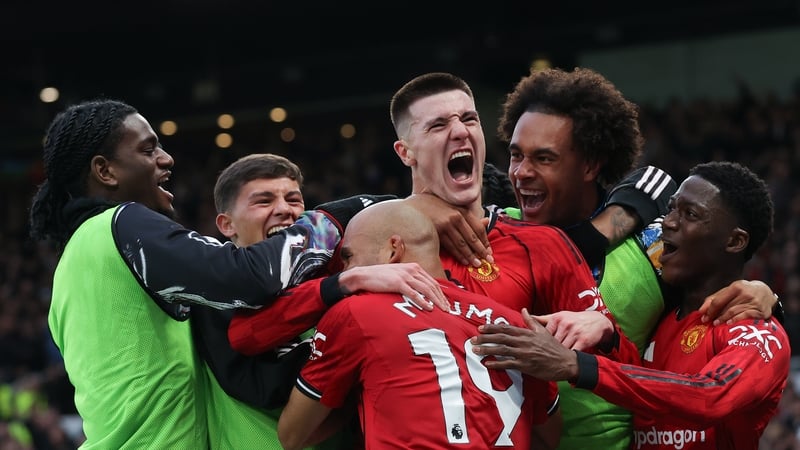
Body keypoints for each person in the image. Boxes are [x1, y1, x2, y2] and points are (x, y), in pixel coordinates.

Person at [28, 99, 444, 449]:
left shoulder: (68, 272)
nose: (166, 158)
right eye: (148, 149)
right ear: (106, 172)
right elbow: (246, 276)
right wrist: (346, 213)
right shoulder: (121, 224)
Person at [230, 73, 641, 364]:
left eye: (469, 119)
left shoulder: (539, 242)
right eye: (439, 125)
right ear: (405, 153)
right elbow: (247, 336)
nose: (459, 132)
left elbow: (625, 361)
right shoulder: (366, 240)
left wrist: (602, 332)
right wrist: (347, 281)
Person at [489, 66, 781, 449]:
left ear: (590, 164)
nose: (522, 172)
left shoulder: (652, 248)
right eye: (515, 155)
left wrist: (765, 295)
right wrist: (608, 335)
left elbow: (702, 241)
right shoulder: (489, 232)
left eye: (544, 158)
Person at [278, 200, 563, 450]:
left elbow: (293, 435)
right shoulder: (515, 323)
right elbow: (548, 437)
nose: (347, 272)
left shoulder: (355, 312)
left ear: (393, 251)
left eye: (349, 258)